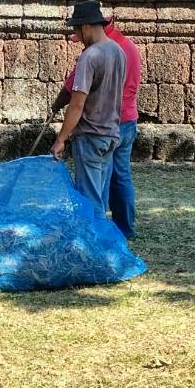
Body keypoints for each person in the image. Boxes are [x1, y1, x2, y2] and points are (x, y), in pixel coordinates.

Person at [51, 13, 142, 236]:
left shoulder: (90, 56)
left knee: (90, 199)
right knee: (108, 186)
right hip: (113, 132)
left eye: (78, 31)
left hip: (91, 134)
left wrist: (61, 138)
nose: (79, 38)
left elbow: (76, 103)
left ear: (87, 26)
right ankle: (118, 232)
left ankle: (95, 247)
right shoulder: (119, 51)